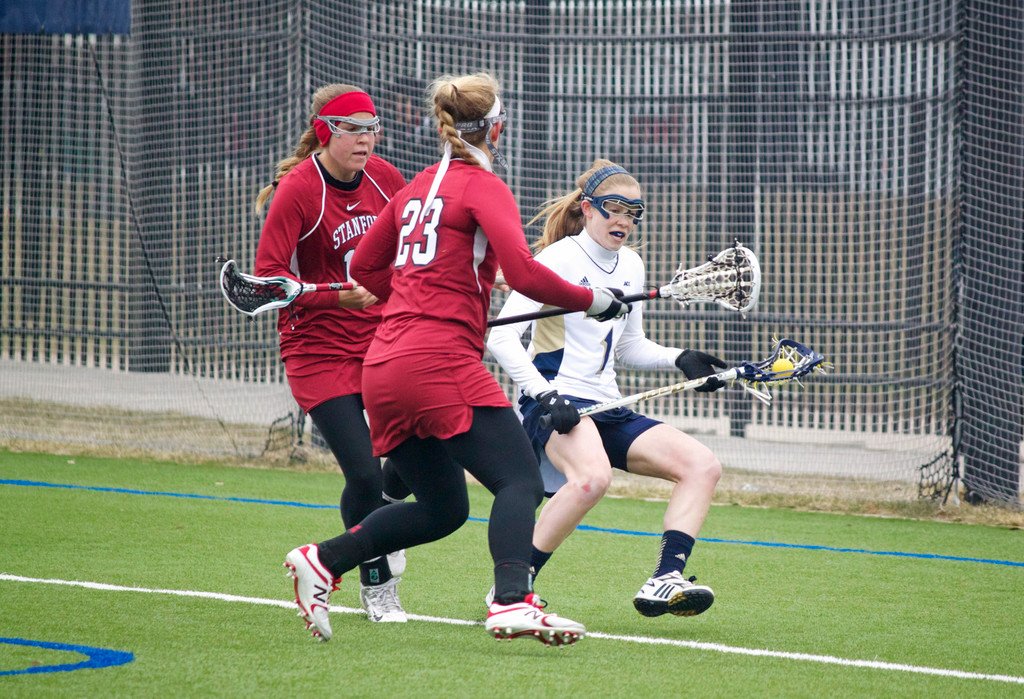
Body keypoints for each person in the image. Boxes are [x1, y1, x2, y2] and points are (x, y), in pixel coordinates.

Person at [282, 72, 629, 645]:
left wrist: (423, 300)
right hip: (437, 360)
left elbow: (365, 270)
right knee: (518, 477)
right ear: (498, 128)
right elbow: (522, 271)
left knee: (443, 508)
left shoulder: (413, 186)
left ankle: (322, 559)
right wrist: (591, 299)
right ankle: (513, 602)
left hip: (386, 364)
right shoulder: (483, 186)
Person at [485, 159, 726, 618]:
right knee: (592, 478)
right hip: (555, 401)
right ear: (587, 207)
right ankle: (512, 589)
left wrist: (680, 359)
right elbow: (500, 336)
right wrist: (543, 394)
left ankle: (664, 578)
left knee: (702, 465)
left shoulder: (631, 264)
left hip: (607, 403)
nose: (624, 221)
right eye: (614, 208)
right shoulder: (557, 258)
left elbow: (630, 346)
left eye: (634, 212)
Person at [254, 83, 413, 624]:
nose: (366, 140)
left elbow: (421, 239)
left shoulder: (386, 177)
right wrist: (335, 295)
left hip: (381, 337)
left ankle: (382, 522)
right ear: (326, 131)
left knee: (424, 456)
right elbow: (270, 280)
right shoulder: (298, 189)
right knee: (364, 474)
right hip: (316, 347)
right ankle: (377, 583)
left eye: (372, 129)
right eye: (353, 130)